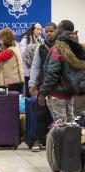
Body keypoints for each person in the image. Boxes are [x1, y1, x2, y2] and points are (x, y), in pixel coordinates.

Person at [38, 20, 85, 123]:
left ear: (62, 30)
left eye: (58, 28)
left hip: (57, 94)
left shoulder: (58, 48)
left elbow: (52, 74)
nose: (56, 31)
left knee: (60, 128)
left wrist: (42, 93)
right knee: (71, 125)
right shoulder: (79, 48)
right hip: (70, 94)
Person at [27, 22, 58, 152]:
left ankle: (55, 142)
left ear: (57, 31)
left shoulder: (62, 46)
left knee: (57, 117)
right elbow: (35, 66)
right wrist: (32, 83)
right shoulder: (41, 47)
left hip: (58, 87)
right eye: (47, 31)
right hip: (43, 86)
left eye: (51, 31)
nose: (49, 33)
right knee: (40, 114)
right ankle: (37, 140)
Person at [19, 23, 43, 97]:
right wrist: (33, 52)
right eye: (37, 29)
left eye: (41, 30)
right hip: (27, 68)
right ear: (33, 30)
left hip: (38, 70)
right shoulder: (26, 39)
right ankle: (27, 106)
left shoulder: (41, 40)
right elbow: (22, 53)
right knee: (28, 90)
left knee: (38, 90)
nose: (39, 31)